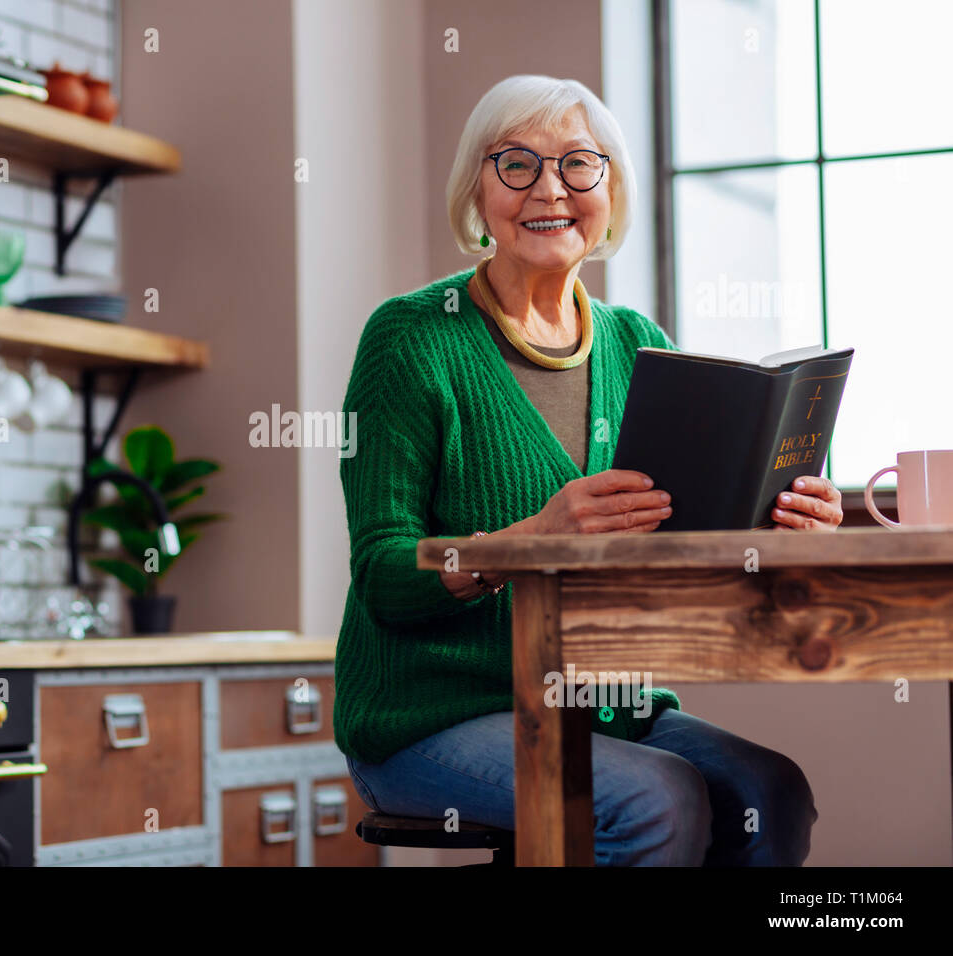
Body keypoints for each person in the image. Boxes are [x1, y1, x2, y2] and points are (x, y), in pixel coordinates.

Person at [335, 75, 835, 865]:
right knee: (658, 799)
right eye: (516, 164)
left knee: (769, 792)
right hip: (430, 716)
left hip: (610, 708)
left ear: (611, 187)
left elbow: (679, 542)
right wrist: (530, 539)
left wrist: (777, 519)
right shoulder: (410, 339)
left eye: (578, 164)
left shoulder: (639, 342)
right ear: (478, 188)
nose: (550, 189)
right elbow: (382, 573)